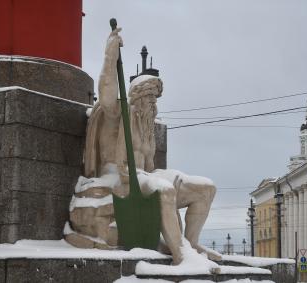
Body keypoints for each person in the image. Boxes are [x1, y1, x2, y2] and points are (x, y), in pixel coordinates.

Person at [83, 26, 220, 264]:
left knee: (206, 188)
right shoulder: (120, 114)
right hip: (121, 178)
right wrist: (110, 56)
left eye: (155, 98)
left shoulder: (148, 126)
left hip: (145, 176)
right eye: (149, 97)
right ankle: (180, 255)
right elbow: (106, 93)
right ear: (136, 97)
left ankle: (190, 244)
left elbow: (150, 166)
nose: (153, 102)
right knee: (164, 190)